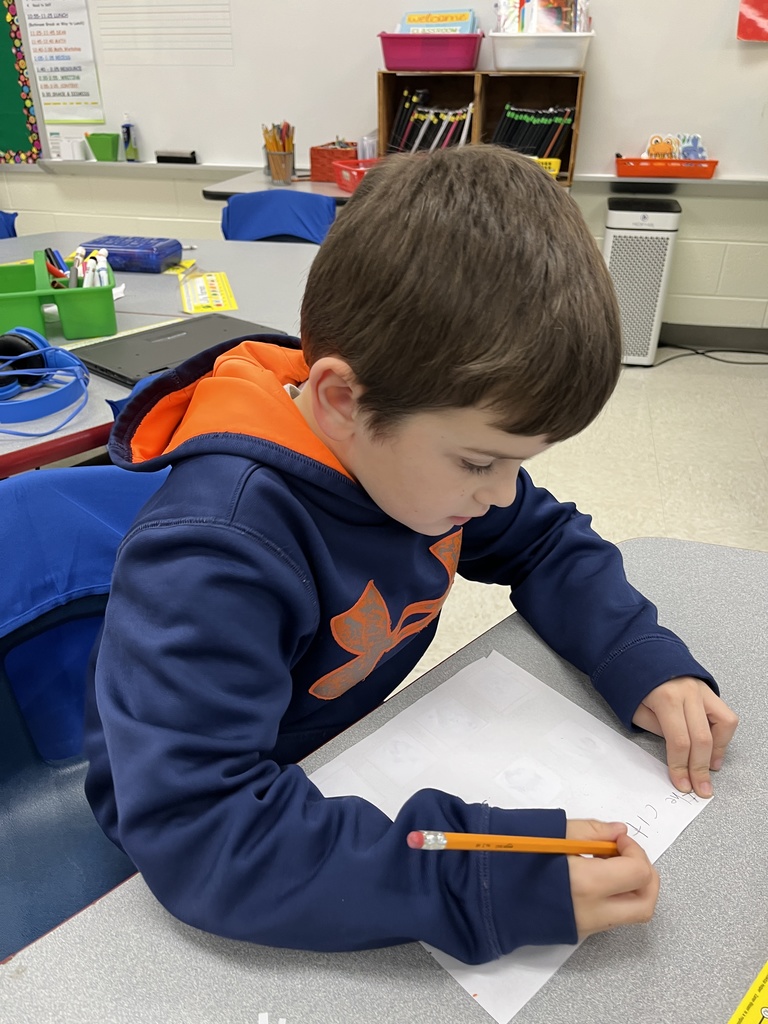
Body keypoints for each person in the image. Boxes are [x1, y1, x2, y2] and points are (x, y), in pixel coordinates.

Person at [84, 145, 738, 966]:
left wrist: (638, 654)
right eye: (481, 462)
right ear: (340, 400)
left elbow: (542, 540)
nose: (501, 494)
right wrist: (481, 883)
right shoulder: (216, 553)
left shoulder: (410, 456)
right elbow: (202, 832)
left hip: (339, 761)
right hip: (217, 823)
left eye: (518, 463)